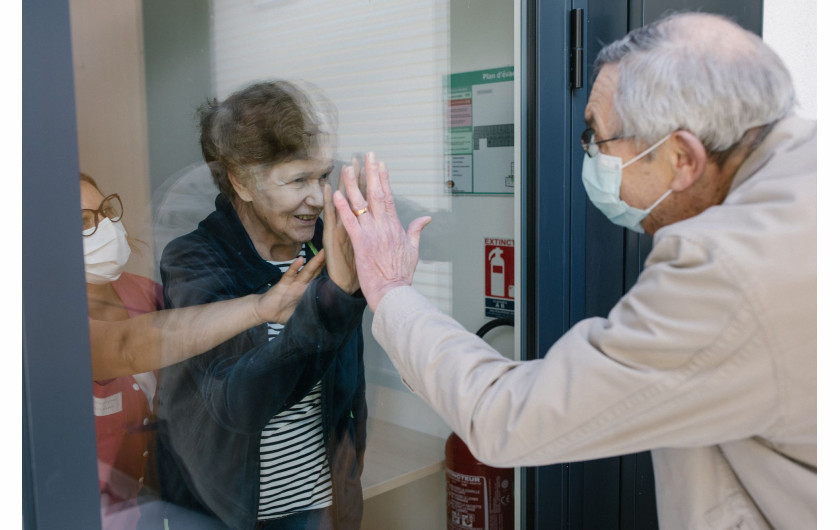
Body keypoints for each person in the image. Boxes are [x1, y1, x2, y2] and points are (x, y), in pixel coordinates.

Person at [333, 13, 816, 530]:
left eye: (599, 140)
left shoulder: (731, 267)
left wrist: (389, 289)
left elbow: (507, 417)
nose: (589, 156)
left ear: (681, 156)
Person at [156, 80, 367, 530]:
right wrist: (332, 303)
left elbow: (349, 391)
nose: (318, 197)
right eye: (298, 180)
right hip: (227, 513)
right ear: (241, 181)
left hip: (319, 504)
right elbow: (239, 404)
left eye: (323, 177)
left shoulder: (328, 248)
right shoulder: (193, 262)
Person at [81, 173, 325, 529]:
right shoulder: (43, 323)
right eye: (85, 221)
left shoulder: (144, 293)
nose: (105, 227)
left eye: (105, 211)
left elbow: (197, 344)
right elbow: (126, 346)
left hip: (151, 505)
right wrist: (260, 307)